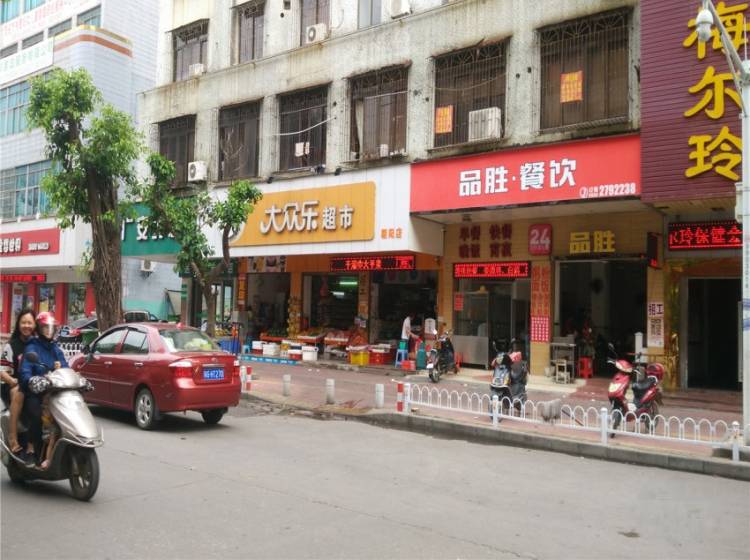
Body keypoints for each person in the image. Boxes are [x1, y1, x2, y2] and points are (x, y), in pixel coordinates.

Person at [19, 311, 68, 467]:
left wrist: (67, 373)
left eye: (51, 327)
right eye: (45, 327)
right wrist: (33, 379)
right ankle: (31, 449)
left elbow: (66, 368)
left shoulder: (56, 349)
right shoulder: (32, 347)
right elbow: (25, 371)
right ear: (39, 329)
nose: (49, 330)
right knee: (36, 414)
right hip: (36, 393)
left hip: (54, 392)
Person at [0, 308, 36, 463]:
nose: (26, 326)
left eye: (30, 323)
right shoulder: (11, 346)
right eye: (23, 322)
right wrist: (13, 381)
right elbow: (2, 371)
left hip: (33, 385)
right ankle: (13, 437)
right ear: (18, 325)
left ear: (35, 325)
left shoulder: (38, 344)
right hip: (12, 385)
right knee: (18, 391)